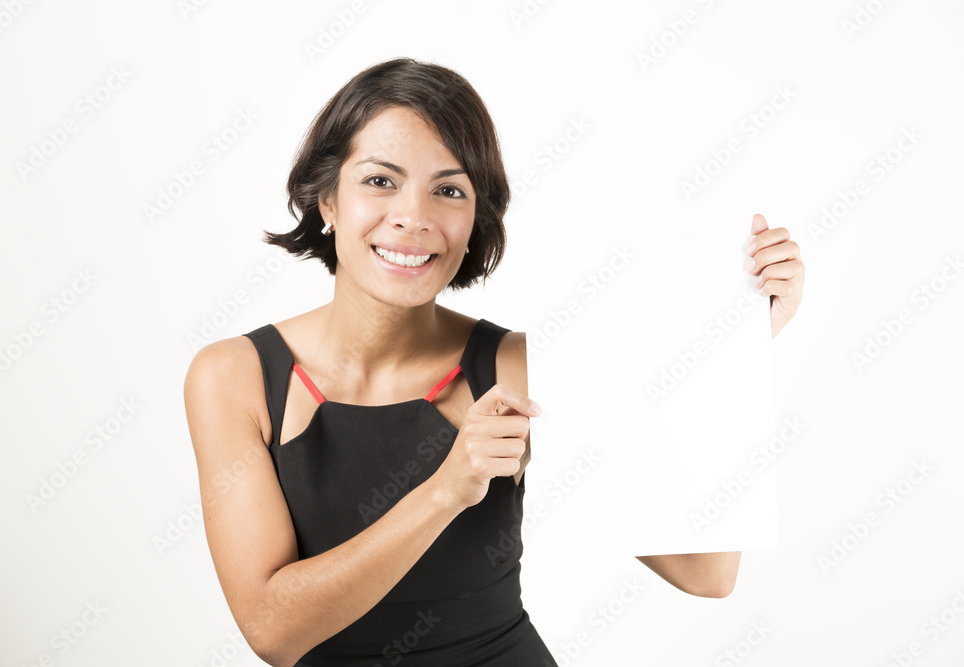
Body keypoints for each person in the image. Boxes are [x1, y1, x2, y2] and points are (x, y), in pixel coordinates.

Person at [183, 58, 804, 667]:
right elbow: (273, 632)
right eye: (380, 181)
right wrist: (446, 490)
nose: (413, 217)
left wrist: (736, 353)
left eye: (448, 190)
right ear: (327, 199)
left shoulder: (519, 367)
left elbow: (706, 572)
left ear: (475, 217)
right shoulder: (234, 377)